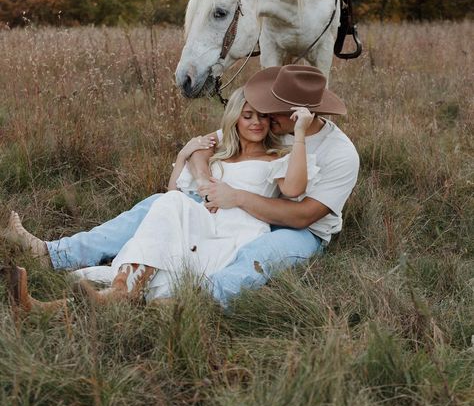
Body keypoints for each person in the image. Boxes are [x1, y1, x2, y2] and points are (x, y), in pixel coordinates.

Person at [2, 65, 359, 308]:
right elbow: (206, 145)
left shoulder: (338, 153)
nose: (263, 116)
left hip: (300, 228)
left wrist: (236, 196)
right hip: (227, 203)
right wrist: (204, 180)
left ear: (301, 113)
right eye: (257, 111)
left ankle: (193, 300)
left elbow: (302, 214)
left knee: (258, 256)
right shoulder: (267, 129)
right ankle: (55, 254)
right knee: (162, 203)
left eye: (271, 111)